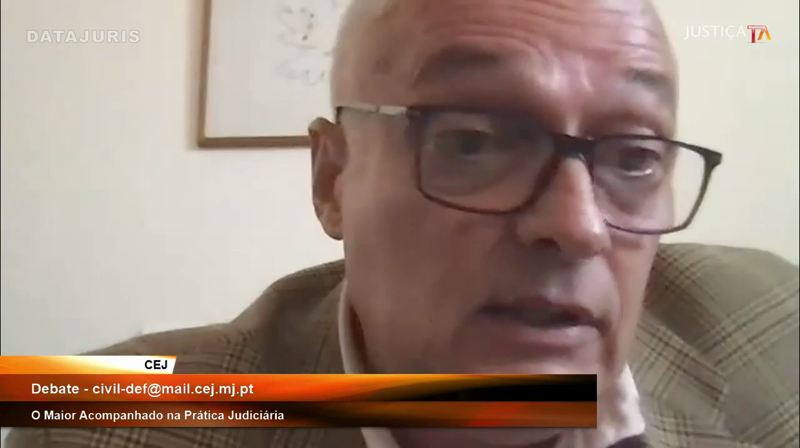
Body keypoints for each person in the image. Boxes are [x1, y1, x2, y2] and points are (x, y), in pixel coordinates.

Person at [8, 0, 798, 446]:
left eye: (633, 158)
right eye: (473, 141)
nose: (578, 227)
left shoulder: (772, 319)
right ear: (334, 179)